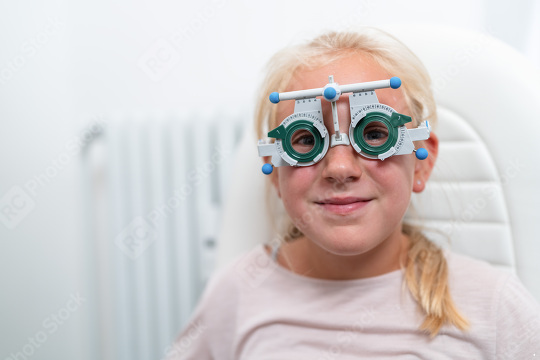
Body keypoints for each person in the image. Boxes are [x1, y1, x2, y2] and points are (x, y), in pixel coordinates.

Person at [166, 28, 540, 359]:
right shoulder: (237, 293)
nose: (340, 169)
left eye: (375, 134)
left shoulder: (493, 307)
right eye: (306, 139)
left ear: (422, 162)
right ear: (274, 175)